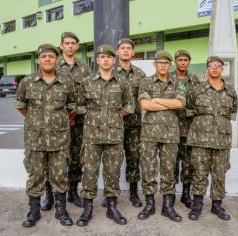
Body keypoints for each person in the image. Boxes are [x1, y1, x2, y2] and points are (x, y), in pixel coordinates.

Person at [16, 44, 76, 227]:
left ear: (56, 60)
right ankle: (33, 212)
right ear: (39, 60)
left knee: (60, 175)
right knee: (35, 175)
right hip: (36, 139)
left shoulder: (66, 82)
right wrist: (37, 121)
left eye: (51, 56)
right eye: (44, 57)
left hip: (59, 139)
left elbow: (72, 107)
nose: (48, 59)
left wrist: (58, 121)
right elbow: (21, 105)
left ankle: (61, 210)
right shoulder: (28, 81)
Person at [75, 44, 135, 226]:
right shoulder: (87, 82)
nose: (106, 59)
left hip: (114, 135)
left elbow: (130, 106)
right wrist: (93, 116)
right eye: (102, 57)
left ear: (113, 59)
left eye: (109, 57)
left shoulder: (122, 82)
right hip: (92, 136)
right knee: (90, 172)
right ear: (97, 60)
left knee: (112, 172)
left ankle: (111, 207)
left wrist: (114, 116)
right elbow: (79, 106)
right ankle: (87, 208)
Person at [40, 32, 91, 211]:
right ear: (61, 46)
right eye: (67, 43)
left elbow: (87, 94)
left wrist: (75, 114)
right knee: (53, 157)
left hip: (78, 120)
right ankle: (50, 194)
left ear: (77, 46)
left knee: (76, 157)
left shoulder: (85, 68)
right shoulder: (54, 65)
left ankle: (73, 192)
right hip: (56, 123)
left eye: (73, 43)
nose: (70, 46)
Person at [187, 56, 237, 221]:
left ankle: (217, 205)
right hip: (200, 140)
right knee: (199, 173)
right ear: (206, 69)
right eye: (211, 66)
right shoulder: (197, 89)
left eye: (218, 66)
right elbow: (188, 110)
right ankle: (197, 204)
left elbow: (232, 113)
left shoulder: (230, 91)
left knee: (219, 174)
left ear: (222, 69)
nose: (214, 68)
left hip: (222, 141)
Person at [137, 50, 186, 222]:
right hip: (149, 133)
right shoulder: (146, 81)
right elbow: (144, 104)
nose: (163, 65)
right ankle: (149, 205)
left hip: (170, 133)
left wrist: (156, 99)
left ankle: (167, 206)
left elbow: (180, 103)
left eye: (166, 63)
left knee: (168, 170)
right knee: (149, 169)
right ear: (155, 64)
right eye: (160, 62)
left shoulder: (178, 83)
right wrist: (167, 103)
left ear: (170, 65)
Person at [101, 38, 146, 208]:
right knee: (112, 160)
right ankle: (110, 193)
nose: (126, 50)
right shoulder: (110, 72)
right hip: (113, 126)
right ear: (117, 52)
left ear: (133, 53)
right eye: (122, 48)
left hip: (134, 125)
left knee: (134, 158)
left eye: (129, 48)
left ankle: (133, 192)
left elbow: (143, 98)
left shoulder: (140, 74)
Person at [170, 49, 200, 209]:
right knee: (171, 163)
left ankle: (186, 194)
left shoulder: (195, 80)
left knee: (188, 163)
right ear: (175, 61)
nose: (182, 62)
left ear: (189, 62)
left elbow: (198, 101)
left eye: (185, 60)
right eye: (180, 59)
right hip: (171, 128)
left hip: (189, 129)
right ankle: (171, 194)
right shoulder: (168, 78)